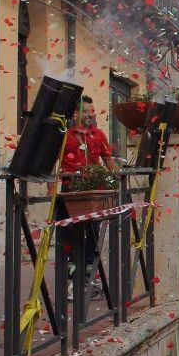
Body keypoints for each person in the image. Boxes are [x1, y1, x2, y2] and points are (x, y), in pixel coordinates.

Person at [60, 96, 120, 300]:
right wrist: (53, 192)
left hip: (94, 192)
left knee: (93, 236)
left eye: (92, 111)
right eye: (86, 111)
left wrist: (118, 178)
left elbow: (108, 160)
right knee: (69, 237)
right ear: (76, 113)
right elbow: (55, 163)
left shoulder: (99, 135)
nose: (90, 115)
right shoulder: (65, 135)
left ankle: (87, 279)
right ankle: (70, 284)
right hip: (71, 193)